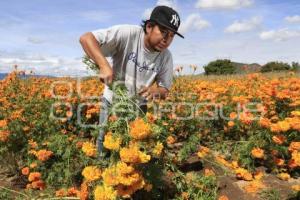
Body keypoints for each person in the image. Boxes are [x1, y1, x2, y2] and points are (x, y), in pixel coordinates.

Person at [79, 5, 184, 155]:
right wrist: (104, 65)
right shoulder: (127, 34)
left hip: (138, 107)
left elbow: (164, 90)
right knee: (104, 139)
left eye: (172, 35)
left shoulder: (166, 57)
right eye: (163, 32)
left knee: (133, 147)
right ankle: (101, 168)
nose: (166, 39)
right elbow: (86, 38)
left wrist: (156, 91)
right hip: (112, 102)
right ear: (149, 27)